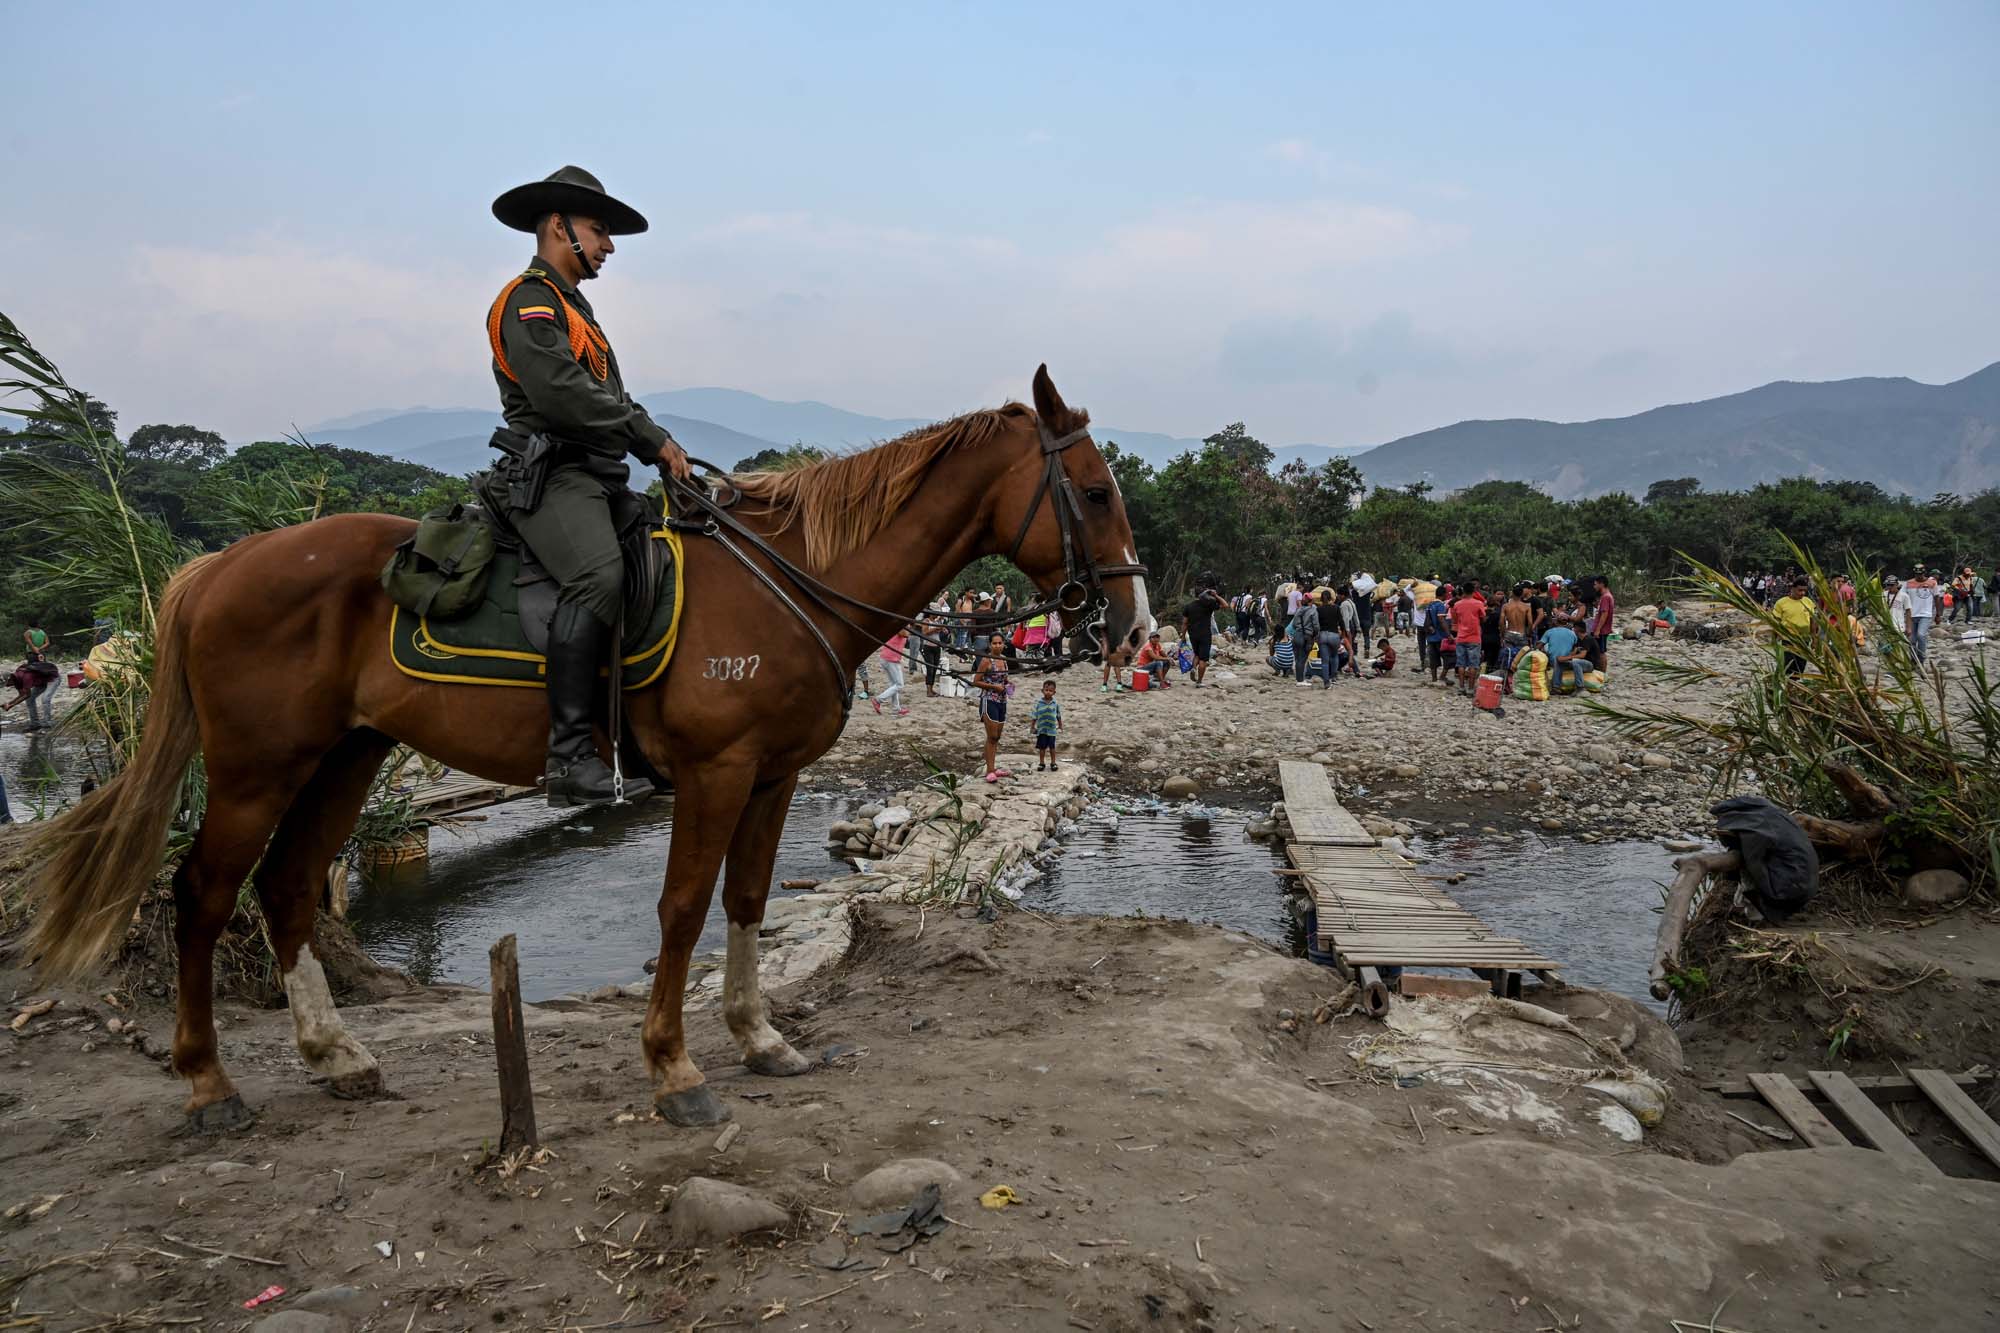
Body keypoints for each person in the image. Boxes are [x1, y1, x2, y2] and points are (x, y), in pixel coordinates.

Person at [485, 166, 687, 808]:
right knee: (597, 576)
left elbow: (610, 396)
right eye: (600, 230)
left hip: (598, 475)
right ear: (557, 227)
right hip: (553, 475)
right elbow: (560, 393)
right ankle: (569, 754)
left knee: (656, 560)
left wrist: (649, 435)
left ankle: (636, 736)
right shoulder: (529, 300)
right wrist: (648, 437)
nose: (609, 245)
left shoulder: (579, 311)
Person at [973, 633, 1011, 782]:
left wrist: (1008, 684)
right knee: (992, 736)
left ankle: (993, 768)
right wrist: (993, 687)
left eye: (1000, 643)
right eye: (994, 643)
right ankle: (989, 770)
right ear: (990, 645)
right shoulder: (986, 661)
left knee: (997, 737)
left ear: (1003, 644)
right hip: (989, 700)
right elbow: (976, 681)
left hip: (1002, 700)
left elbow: (1004, 678)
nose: (997, 646)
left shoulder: (1004, 660)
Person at [1448, 581, 1487, 696]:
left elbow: (1455, 620)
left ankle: (1461, 687)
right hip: (1474, 638)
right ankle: (1470, 688)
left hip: (1461, 637)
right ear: (1474, 591)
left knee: (1461, 664)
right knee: (1473, 665)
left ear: (1463, 591)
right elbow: (1483, 619)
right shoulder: (1478, 603)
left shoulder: (1457, 604)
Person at [1771, 577, 1815, 677]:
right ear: (1793, 589)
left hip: (1804, 639)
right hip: (1788, 639)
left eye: (1804, 590)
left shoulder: (1808, 602)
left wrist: (1814, 639)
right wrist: (1774, 639)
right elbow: (1776, 622)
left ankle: (1795, 686)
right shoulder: (1782, 603)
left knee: (1800, 665)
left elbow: (1813, 621)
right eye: (1800, 590)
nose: (1802, 593)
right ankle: (1786, 685)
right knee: (1788, 664)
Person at [1182, 586, 1225, 686]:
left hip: (1192, 634)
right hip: (1205, 634)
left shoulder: (1189, 606)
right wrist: (1216, 595)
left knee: (1197, 654)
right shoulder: (1208, 604)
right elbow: (1225, 605)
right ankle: (1199, 681)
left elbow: (1184, 623)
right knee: (1203, 659)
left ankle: (1193, 668)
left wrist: (1183, 636)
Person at [3, 660, 59, 731]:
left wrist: (11, 705)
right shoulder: (16, 680)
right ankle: (35, 724)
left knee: (45, 699)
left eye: (7, 684)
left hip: (53, 678)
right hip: (41, 681)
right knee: (30, 700)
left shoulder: (26, 677)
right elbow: (21, 694)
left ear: (11, 678)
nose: (7, 686)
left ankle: (48, 723)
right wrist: (9, 703)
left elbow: (27, 694)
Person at [1902, 565, 1938, 663]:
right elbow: (1902, 597)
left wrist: (1938, 614)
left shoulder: (1932, 583)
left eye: (1921, 574)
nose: (1919, 576)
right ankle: (1913, 659)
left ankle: (1921, 657)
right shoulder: (1908, 584)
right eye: (1917, 574)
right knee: (1912, 639)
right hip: (1911, 615)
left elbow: (1937, 597)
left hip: (1926, 614)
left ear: (1924, 573)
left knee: (1921, 635)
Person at [872, 627, 910, 715]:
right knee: (899, 685)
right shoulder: (901, 626)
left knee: (894, 685)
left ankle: (896, 708)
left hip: (887, 657)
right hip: (891, 659)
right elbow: (904, 634)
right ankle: (878, 700)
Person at [1031, 680, 1063, 771]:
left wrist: (1060, 726)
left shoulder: (1055, 703)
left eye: (1050, 690)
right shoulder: (1039, 703)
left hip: (1052, 730)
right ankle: (1042, 763)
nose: (1048, 692)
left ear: (1054, 692)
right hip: (1042, 729)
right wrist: (1032, 726)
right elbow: (1034, 715)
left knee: (1052, 747)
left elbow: (1058, 715)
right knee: (1042, 747)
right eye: (1046, 690)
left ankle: (1053, 763)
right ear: (1042, 690)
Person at [1291, 594, 1321, 685]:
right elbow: (1316, 626)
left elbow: (1293, 624)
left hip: (1296, 635)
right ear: (1310, 601)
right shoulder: (1313, 611)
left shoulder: (1298, 610)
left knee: (1297, 659)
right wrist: (1315, 635)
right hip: (1307, 637)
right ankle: (1300, 681)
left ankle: (1298, 679)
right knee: (1303, 659)